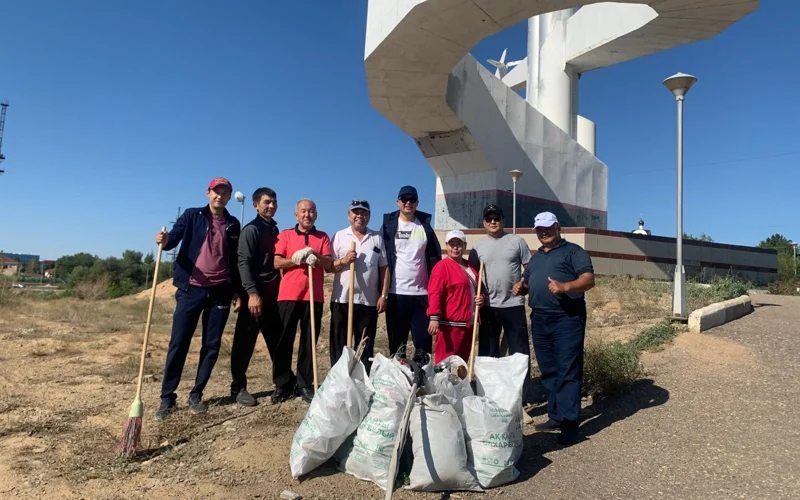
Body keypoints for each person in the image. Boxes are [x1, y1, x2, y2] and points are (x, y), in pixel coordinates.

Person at [154, 177, 241, 420]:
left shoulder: (233, 224)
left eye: (225, 193)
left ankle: (197, 394)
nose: (220, 196)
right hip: (190, 290)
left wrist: (237, 290)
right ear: (208, 193)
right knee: (179, 342)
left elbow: (235, 259)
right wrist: (164, 240)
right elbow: (172, 240)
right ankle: (167, 397)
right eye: (216, 192)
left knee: (211, 345)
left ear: (228, 197)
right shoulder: (192, 215)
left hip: (220, 291)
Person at [514, 211, 595, 444]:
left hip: (567, 319)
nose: (544, 232)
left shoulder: (574, 252)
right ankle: (556, 415)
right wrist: (521, 287)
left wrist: (566, 286)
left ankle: (569, 424)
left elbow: (588, 279)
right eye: (539, 229)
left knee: (568, 370)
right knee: (549, 370)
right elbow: (528, 282)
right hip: (540, 320)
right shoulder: (536, 257)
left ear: (558, 227)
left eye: (548, 227)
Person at [468, 204, 533, 401]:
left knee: (519, 353)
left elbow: (530, 269)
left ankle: (520, 397)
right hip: (488, 307)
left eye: (497, 218)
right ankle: (488, 394)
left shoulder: (517, 242)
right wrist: (476, 296)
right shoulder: (478, 246)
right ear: (484, 222)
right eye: (489, 219)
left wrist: (524, 284)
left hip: (513, 305)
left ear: (503, 220)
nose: (493, 222)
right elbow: (471, 276)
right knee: (488, 353)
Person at [273, 199, 333, 403]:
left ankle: (305, 383)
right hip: (288, 295)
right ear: (296, 215)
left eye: (311, 211)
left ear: (316, 214)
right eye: (303, 211)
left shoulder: (322, 237)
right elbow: (277, 262)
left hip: (313, 297)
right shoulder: (285, 235)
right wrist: (295, 259)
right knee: (284, 341)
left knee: (309, 342)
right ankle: (282, 384)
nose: (307, 214)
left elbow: (329, 263)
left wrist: (315, 255)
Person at [229, 187, 280, 407]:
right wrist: (251, 293)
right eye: (267, 202)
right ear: (255, 205)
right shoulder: (251, 230)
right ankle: (238, 387)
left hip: (272, 296)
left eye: (274, 202)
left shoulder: (274, 229)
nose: (271, 206)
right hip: (254, 296)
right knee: (244, 343)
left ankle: (284, 382)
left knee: (277, 341)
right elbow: (243, 263)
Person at [329, 200, 389, 373]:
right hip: (342, 299)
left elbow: (384, 268)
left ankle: (362, 378)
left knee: (364, 344)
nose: (360, 216)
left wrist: (383, 295)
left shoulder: (376, 237)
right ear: (349, 215)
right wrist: (344, 260)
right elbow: (329, 267)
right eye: (356, 212)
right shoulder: (339, 236)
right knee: (339, 343)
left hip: (368, 302)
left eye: (364, 213)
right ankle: (339, 377)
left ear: (369, 216)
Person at [380, 185, 441, 356]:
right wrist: (382, 293)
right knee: (397, 346)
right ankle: (398, 372)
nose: (408, 203)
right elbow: (381, 260)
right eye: (404, 199)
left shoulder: (425, 227)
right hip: (396, 294)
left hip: (421, 295)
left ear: (417, 203)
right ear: (398, 202)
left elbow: (435, 258)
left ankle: (421, 372)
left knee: (423, 344)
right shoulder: (388, 227)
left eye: (412, 200)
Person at [427, 230, 485, 363]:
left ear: (464, 246)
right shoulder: (442, 267)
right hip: (450, 325)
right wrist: (434, 317)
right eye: (451, 244)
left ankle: (460, 378)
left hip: (468, 323)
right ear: (446, 246)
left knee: (462, 363)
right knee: (446, 362)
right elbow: (435, 293)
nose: (455, 248)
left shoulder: (470, 266)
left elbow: (478, 289)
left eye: (459, 244)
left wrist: (481, 298)